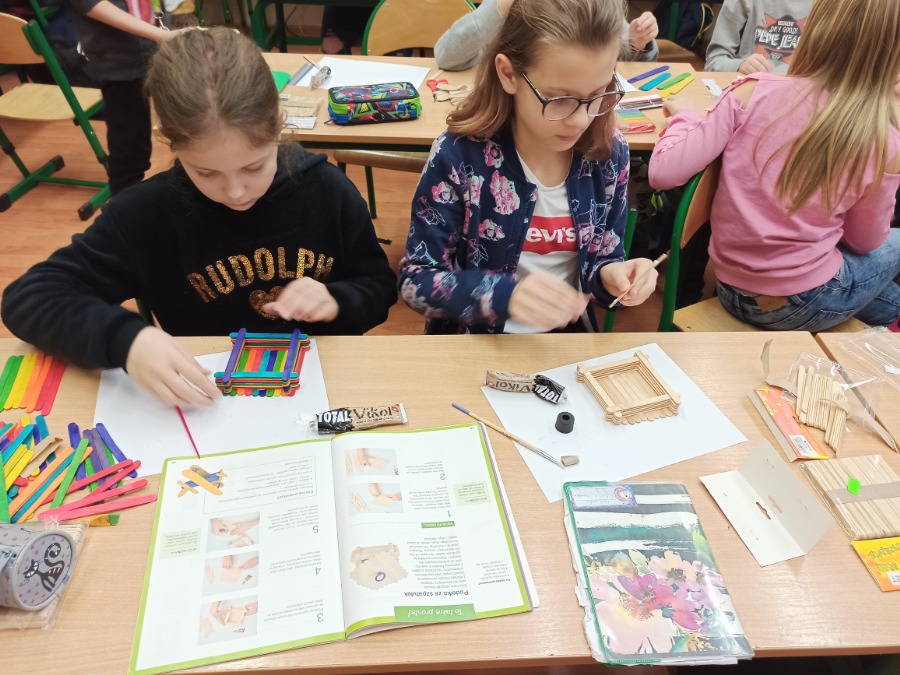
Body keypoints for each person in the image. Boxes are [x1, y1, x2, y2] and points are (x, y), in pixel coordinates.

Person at [1, 28, 398, 406]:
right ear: (169, 140)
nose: (236, 192)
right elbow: (29, 298)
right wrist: (126, 340)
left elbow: (378, 287)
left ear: (278, 125)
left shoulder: (326, 190)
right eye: (206, 172)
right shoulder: (144, 215)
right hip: (209, 401)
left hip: (324, 386)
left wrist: (337, 300)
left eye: (254, 167)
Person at [399, 0, 658, 334]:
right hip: (474, 343)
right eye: (559, 99)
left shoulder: (609, 153)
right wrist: (505, 297)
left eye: (599, 94)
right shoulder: (459, 156)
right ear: (508, 74)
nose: (581, 120)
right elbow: (415, 280)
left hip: (564, 343)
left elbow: (602, 262)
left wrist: (613, 276)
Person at [649, 0, 900, 332]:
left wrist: (684, 118)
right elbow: (863, 242)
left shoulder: (752, 90)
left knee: (885, 295)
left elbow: (662, 172)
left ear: (812, 27)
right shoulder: (885, 139)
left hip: (731, 288)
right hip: (803, 302)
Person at [67, 0, 191, 194]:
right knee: (131, 152)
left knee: (188, 134)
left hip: (160, 50)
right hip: (121, 63)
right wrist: (161, 35)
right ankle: (125, 201)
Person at [434, 0, 659, 71]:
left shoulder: (594, 5)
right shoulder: (509, 6)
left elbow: (631, 59)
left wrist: (637, 42)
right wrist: (500, 7)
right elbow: (447, 56)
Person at [705, 0, 811, 74]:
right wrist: (740, 65)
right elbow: (714, 62)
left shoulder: (820, 5)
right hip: (750, 88)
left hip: (804, 91)